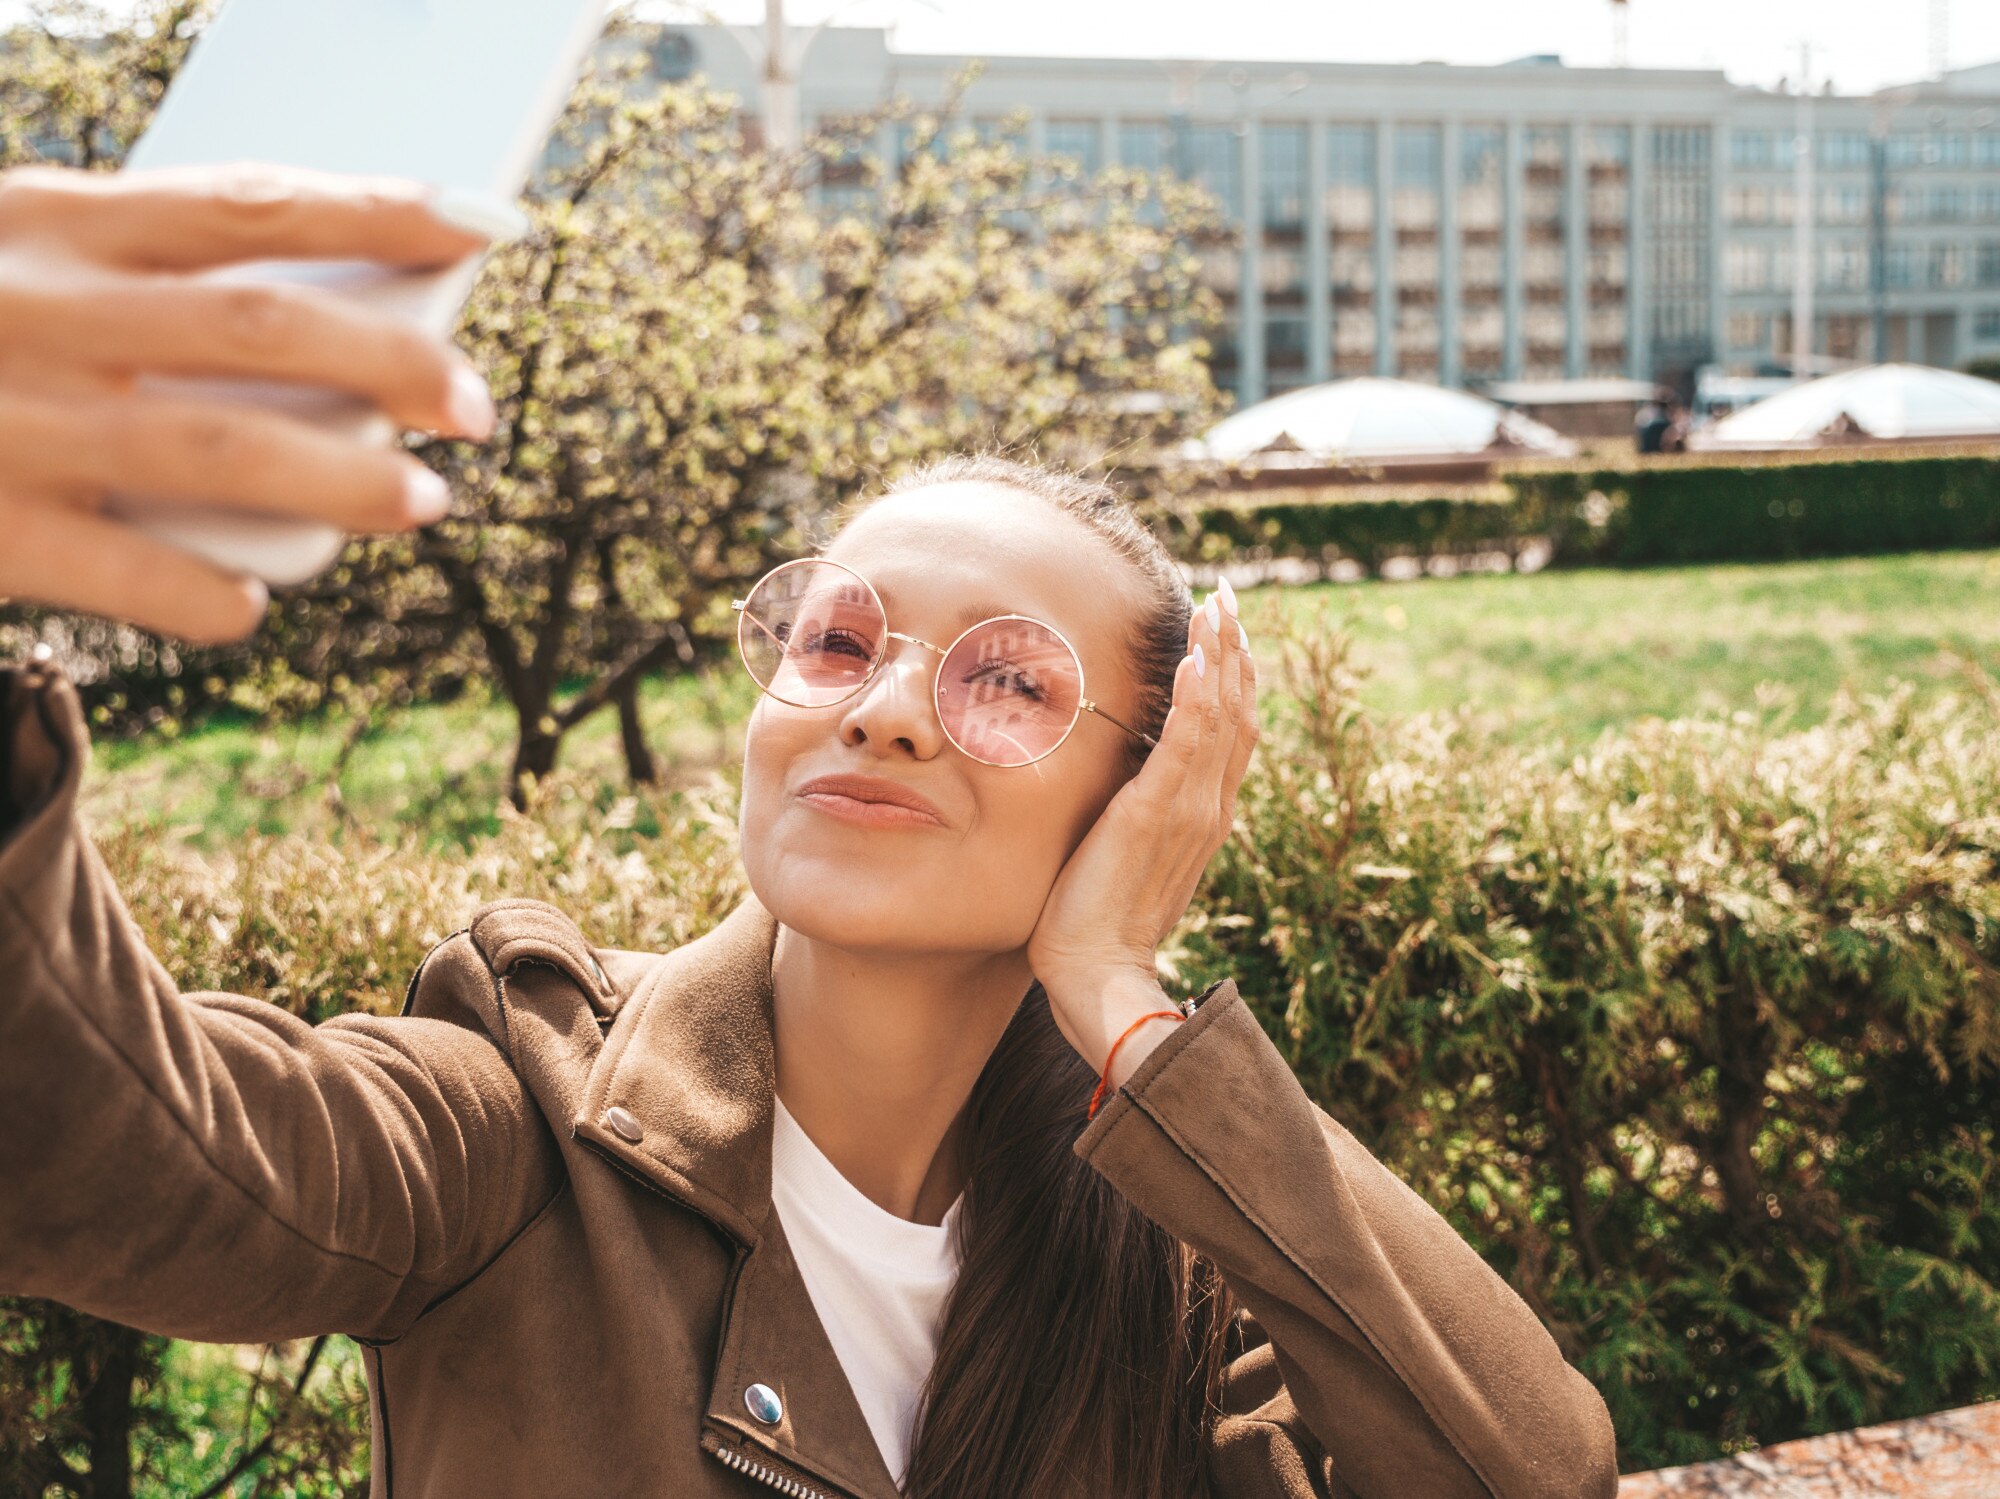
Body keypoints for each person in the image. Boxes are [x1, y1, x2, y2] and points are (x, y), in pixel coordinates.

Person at [0, 161, 1620, 1498]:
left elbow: (1531, 1478)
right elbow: (106, 1148)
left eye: (1005, 680)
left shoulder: (1173, 1262)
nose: (888, 707)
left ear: (1142, 797)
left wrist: (1129, 997)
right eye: (839, 641)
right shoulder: (524, 1118)